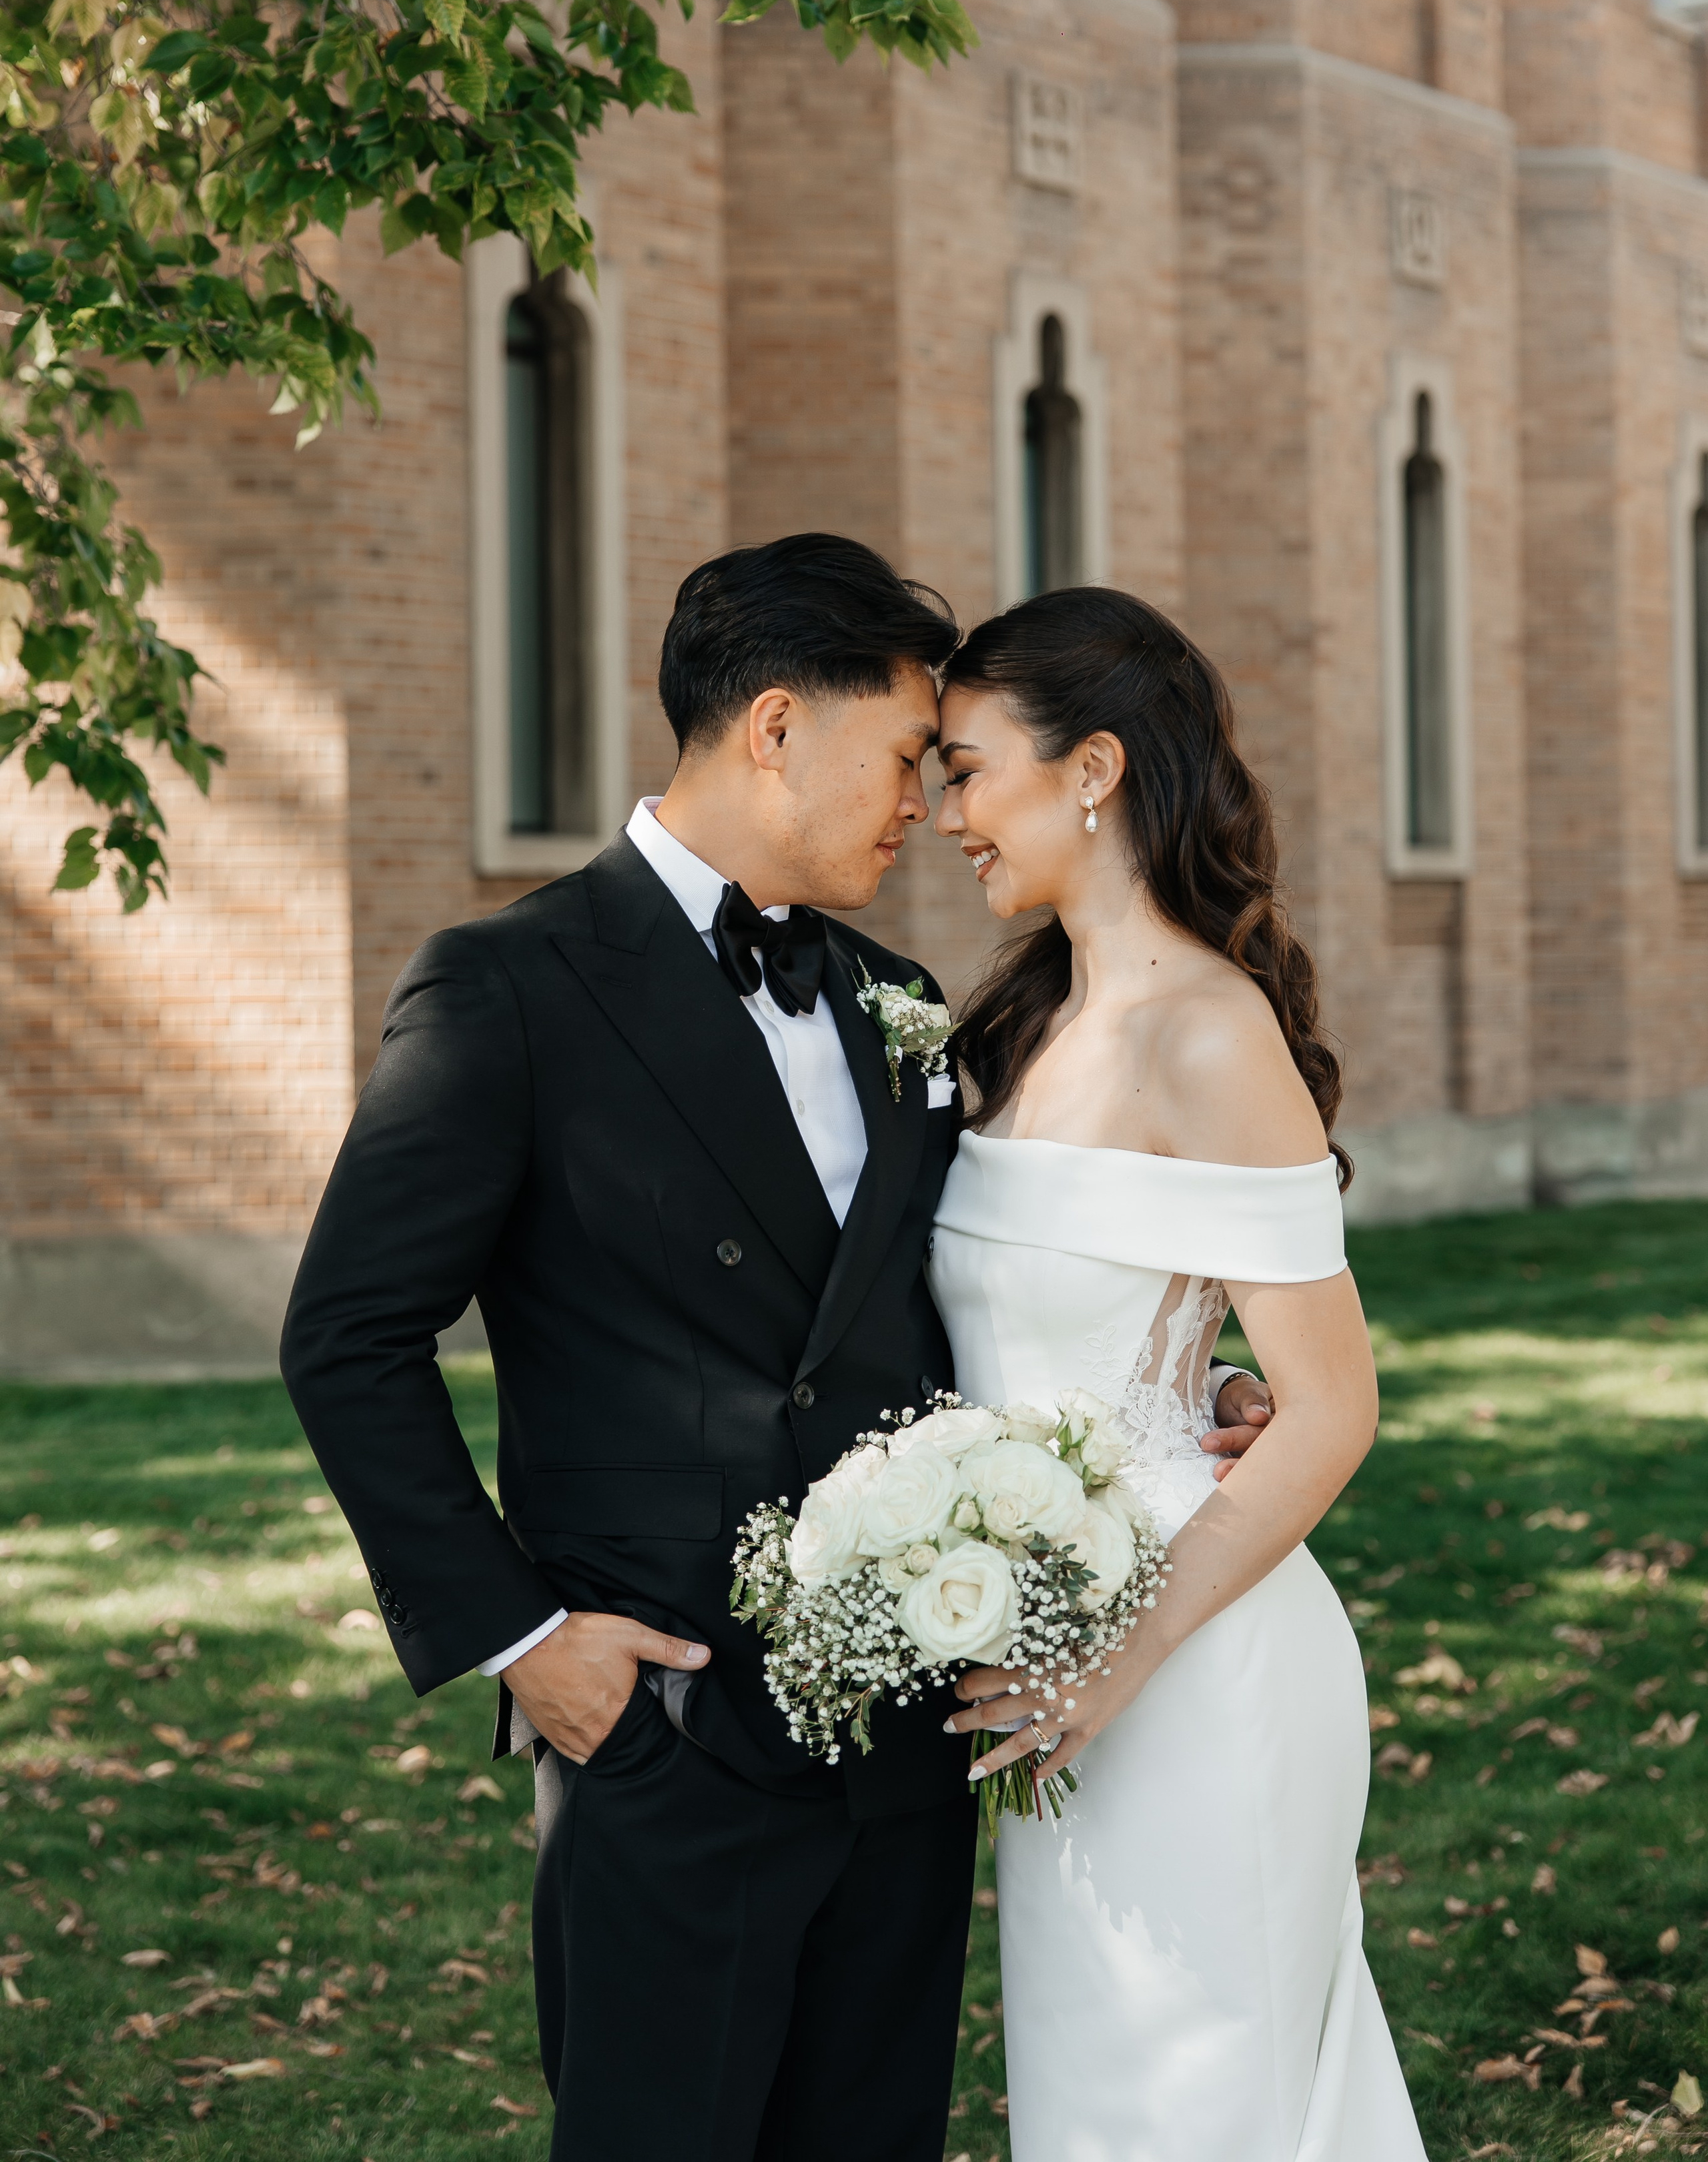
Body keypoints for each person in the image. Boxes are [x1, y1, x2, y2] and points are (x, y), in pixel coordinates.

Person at [279, 534, 1268, 2162]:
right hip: (663, 1733)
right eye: (901, 757)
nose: (922, 807)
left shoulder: (896, 999)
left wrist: (1188, 1383)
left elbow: (975, 1287)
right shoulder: (507, 988)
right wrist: (524, 1636)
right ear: (774, 729)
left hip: (901, 1733)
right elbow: (349, 1337)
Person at [931, 587, 1427, 2162]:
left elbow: (1332, 1405)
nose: (944, 813)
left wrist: (1113, 1662)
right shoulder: (1017, 1025)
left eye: (964, 768)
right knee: (1095, 2102)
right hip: (1046, 1656)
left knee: (1211, 2100)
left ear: (1090, 771)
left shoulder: (1208, 1038)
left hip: (1193, 1664)